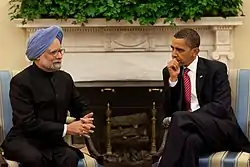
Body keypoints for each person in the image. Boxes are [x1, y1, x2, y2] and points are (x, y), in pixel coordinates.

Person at [1, 25, 95, 167]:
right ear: (38, 55)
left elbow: (80, 105)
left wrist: (85, 119)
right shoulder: (20, 82)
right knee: (34, 158)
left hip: (53, 141)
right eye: (54, 52)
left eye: (61, 51)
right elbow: (27, 123)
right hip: (24, 140)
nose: (59, 56)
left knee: (69, 157)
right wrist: (67, 129)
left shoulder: (65, 79)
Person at [158, 28, 250, 167]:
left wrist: (190, 118)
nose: (174, 54)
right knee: (191, 141)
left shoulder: (216, 69)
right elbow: (168, 110)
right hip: (189, 131)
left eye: (180, 50)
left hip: (218, 128)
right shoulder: (170, 72)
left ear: (195, 52)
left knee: (179, 117)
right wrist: (173, 81)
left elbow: (221, 107)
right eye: (172, 48)